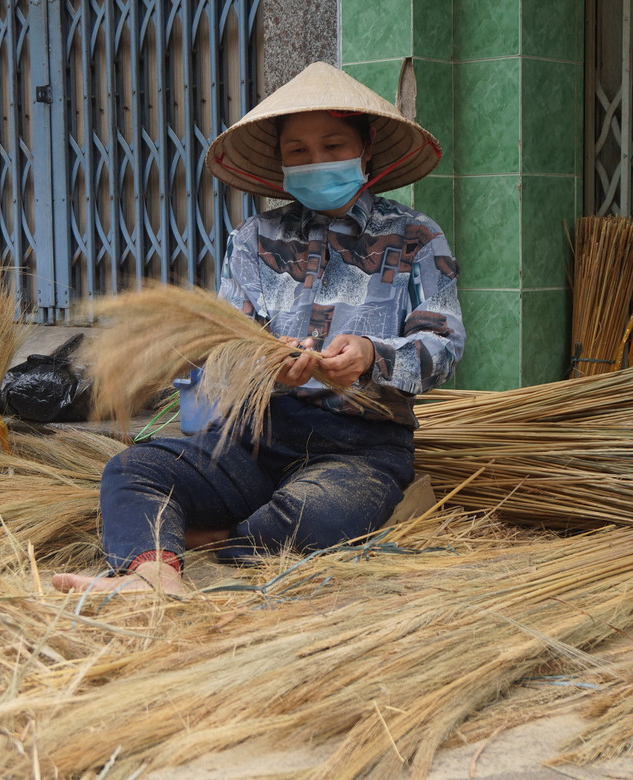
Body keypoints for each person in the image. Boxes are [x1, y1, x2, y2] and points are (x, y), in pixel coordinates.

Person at [52, 62, 464, 595]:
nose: (316, 161)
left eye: (333, 145)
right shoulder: (254, 238)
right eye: (298, 152)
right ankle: (153, 577)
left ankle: (221, 537)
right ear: (281, 163)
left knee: (319, 518)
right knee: (132, 471)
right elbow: (220, 351)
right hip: (253, 437)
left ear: (366, 152)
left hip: (360, 447)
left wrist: (370, 354)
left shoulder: (416, 236)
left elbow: (445, 344)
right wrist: (263, 367)